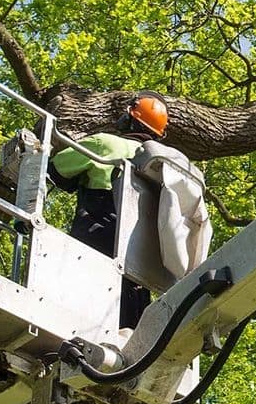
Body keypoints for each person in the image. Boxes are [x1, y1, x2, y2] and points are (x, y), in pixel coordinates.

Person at [49, 93, 170, 328]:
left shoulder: (106, 143)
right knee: (128, 336)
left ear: (129, 118)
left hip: (95, 247)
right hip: (139, 270)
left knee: (76, 325)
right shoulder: (164, 168)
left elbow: (56, 170)